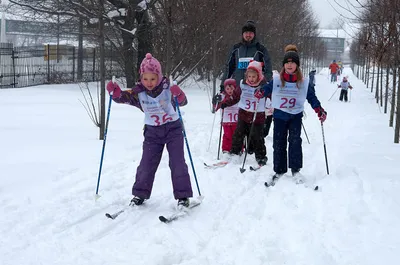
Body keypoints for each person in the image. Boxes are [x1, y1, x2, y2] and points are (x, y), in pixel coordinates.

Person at [106, 53, 193, 208]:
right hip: (152, 132)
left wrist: (178, 94)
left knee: (177, 162)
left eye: (152, 78)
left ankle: (183, 196)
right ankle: (140, 194)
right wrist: (115, 92)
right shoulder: (139, 92)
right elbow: (123, 97)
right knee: (146, 164)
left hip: (173, 129)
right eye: (145, 79)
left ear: (159, 76)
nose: (149, 83)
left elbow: (183, 102)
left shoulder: (168, 88)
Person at [255, 45, 327, 184]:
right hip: (280, 116)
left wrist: (320, 110)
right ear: (284, 65)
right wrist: (260, 91)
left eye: (292, 62)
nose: (289, 65)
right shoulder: (277, 79)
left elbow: (311, 97)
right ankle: (279, 169)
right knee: (278, 142)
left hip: (295, 116)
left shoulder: (303, 82)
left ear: (297, 65)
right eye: (287, 62)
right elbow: (267, 88)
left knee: (295, 141)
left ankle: (295, 169)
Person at [221, 60, 268, 166]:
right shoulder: (243, 84)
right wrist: (226, 103)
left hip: (257, 116)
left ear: (258, 75)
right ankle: (235, 153)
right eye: (249, 76)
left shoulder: (263, 86)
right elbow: (236, 96)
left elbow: (270, 96)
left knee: (257, 137)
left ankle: (261, 157)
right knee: (238, 134)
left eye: (253, 77)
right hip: (243, 115)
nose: (251, 79)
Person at [220, 20, 272, 91]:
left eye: (250, 33)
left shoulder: (260, 49)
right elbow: (228, 68)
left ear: (254, 34)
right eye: (246, 33)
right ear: (242, 34)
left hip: (255, 90)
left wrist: (264, 86)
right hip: (237, 88)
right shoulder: (236, 48)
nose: (248, 35)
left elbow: (268, 70)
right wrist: (223, 85)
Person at [212, 79, 240, 154]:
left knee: (237, 136)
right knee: (227, 136)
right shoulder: (222, 96)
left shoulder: (238, 97)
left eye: (231, 88)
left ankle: (238, 149)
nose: (230, 90)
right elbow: (216, 108)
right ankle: (226, 150)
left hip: (236, 121)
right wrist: (215, 101)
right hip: (226, 121)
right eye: (227, 88)